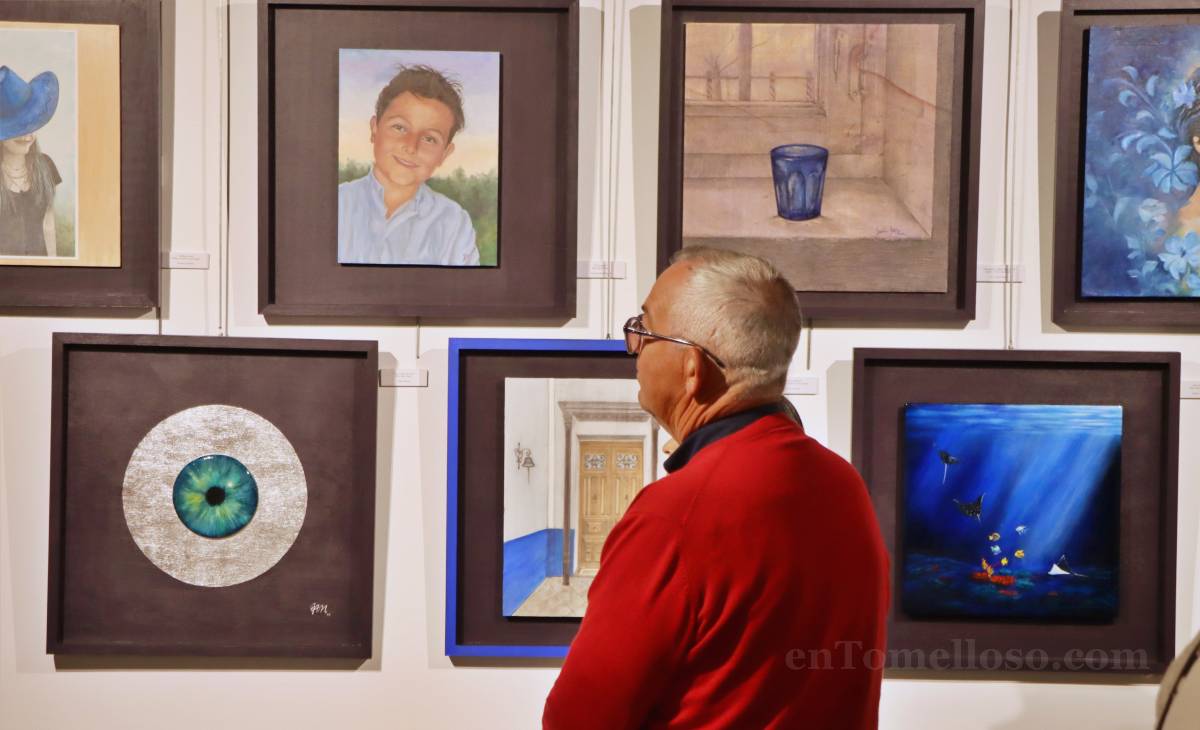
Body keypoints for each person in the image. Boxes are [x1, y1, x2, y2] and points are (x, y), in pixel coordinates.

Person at [543, 247, 890, 729]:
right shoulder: (843, 483)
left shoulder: (674, 514)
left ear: (692, 369)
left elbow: (578, 718)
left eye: (644, 329)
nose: (634, 346)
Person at [338, 64, 479, 266]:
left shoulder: (454, 223)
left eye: (430, 139)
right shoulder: (337, 204)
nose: (411, 147)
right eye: (399, 127)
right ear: (374, 129)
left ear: (444, 154)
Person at [0, 65, 61, 257]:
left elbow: (48, 224)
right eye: (19, 127)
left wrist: (53, 269)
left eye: (31, 124)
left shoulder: (46, 166)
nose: (28, 136)